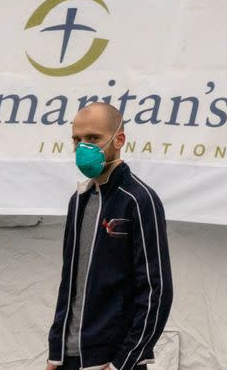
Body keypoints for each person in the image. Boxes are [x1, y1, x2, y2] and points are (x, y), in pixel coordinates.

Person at [46, 102, 173, 370]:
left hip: (111, 360)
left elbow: (155, 291)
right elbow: (69, 283)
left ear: (119, 139)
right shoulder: (78, 200)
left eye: (93, 138)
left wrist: (122, 362)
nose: (83, 148)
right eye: (77, 140)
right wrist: (55, 352)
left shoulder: (139, 200)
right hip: (68, 358)